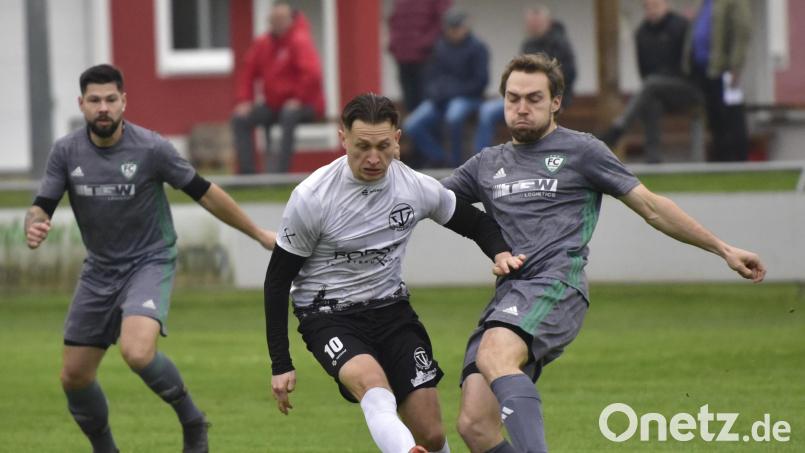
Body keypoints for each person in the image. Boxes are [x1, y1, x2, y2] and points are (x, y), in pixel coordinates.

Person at [442, 53, 766, 453]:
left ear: (556, 102)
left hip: (555, 284)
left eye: (534, 98)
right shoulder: (485, 164)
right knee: (474, 424)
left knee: (495, 355)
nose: (521, 108)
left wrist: (723, 248)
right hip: (509, 294)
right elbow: (427, 200)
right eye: (513, 99)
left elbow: (650, 206)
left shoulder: (582, 151)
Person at [24, 64, 276, 453]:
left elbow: (205, 192)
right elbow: (41, 206)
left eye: (111, 99)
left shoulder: (151, 148)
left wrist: (258, 234)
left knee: (137, 351)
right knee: (74, 376)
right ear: (82, 104)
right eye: (95, 101)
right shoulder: (66, 151)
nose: (103, 108)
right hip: (99, 269)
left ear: (124, 101)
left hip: (149, 260)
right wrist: (35, 224)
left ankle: (192, 421)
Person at [264, 93, 524, 453]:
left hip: (392, 312)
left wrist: (501, 252)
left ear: (398, 140)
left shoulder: (414, 187)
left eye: (383, 146)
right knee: (373, 386)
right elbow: (277, 281)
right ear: (343, 138)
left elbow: (474, 221)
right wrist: (281, 362)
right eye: (362, 146)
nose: (373, 158)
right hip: (328, 316)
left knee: (432, 434)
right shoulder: (312, 197)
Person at [598, 0, 703, 163]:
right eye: (648, 6)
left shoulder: (682, 26)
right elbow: (643, 69)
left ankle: (619, 128)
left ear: (666, 5)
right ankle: (653, 158)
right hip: (656, 89)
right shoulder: (641, 33)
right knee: (651, 98)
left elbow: (692, 61)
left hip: (686, 87)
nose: (652, 10)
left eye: (656, 5)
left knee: (651, 85)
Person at [231, 2, 325, 174]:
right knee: (240, 118)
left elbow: (312, 74)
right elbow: (248, 72)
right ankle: (247, 174)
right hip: (274, 105)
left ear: (290, 20)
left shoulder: (300, 41)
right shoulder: (263, 44)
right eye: (274, 19)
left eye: (281, 19)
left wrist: (298, 98)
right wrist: (245, 100)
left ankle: (280, 174)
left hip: (305, 105)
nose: (277, 23)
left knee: (288, 115)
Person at [475, 4, 577, 152]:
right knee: (486, 110)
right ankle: (483, 155)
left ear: (546, 22)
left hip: (551, 96)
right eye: (530, 22)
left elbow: (569, 73)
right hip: (523, 92)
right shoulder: (528, 43)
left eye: (536, 22)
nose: (532, 25)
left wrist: (556, 97)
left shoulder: (560, 43)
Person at [403, 9, 489, 168]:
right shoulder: (440, 46)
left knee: (453, 117)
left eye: (457, 28)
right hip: (440, 99)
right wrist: (435, 92)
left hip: (468, 98)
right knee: (412, 124)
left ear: (465, 27)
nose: (453, 32)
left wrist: (452, 92)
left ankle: (456, 165)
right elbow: (430, 77)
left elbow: (480, 82)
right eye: (450, 28)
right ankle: (440, 157)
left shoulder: (478, 48)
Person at [683, 0, 752, 162]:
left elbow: (742, 31)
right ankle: (722, 159)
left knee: (731, 114)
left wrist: (736, 65)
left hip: (725, 70)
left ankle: (738, 160)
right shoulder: (704, 3)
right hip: (704, 71)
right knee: (715, 118)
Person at [388, 0, 452, 113]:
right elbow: (394, 21)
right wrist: (394, 44)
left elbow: (441, 22)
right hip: (402, 56)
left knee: (426, 101)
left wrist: (424, 43)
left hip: (425, 58)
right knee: (409, 101)